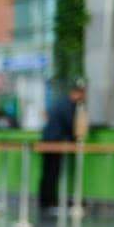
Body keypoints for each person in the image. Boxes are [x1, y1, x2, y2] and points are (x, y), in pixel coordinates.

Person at [39, 82, 85, 210]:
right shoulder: (67, 105)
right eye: (82, 94)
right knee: (52, 172)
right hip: (54, 143)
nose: (82, 98)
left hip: (49, 140)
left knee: (48, 172)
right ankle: (49, 202)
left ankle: (46, 201)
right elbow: (72, 124)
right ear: (76, 93)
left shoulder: (62, 103)